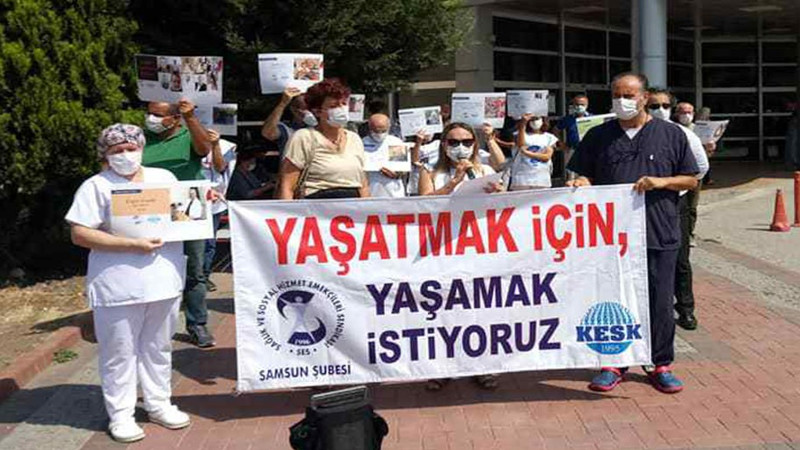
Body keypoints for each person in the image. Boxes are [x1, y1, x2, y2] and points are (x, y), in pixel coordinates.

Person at [567, 73, 699, 394]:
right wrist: (581, 182)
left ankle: (660, 363)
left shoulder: (671, 134)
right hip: (611, 236)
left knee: (659, 302)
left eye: (628, 95)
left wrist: (662, 182)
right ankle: (614, 363)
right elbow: (583, 174)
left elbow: (691, 179)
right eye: (616, 95)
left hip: (658, 231)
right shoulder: (599, 135)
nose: (621, 101)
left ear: (644, 98)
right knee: (613, 298)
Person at [66, 124, 191, 443]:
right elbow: (79, 233)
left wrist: (206, 202)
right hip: (117, 283)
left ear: (141, 148)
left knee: (158, 347)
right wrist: (130, 244)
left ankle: (159, 403)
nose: (125, 155)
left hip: (163, 278)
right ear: (105, 155)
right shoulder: (96, 186)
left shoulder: (164, 178)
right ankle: (121, 415)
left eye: (130, 148)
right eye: (116, 151)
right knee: (119, 352)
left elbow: (184, 215)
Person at [419, 122, 502, 390]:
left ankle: (482, 366)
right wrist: (454, 182)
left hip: (478, 247)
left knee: (479, 309)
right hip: (442, 248)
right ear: (443, 144)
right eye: (453, 142)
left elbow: (504, 208)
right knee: (445, 310)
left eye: (466, 142)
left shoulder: (485, 171)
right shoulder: (430, 171)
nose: (460, 147)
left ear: (475, 145)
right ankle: (444, 368)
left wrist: (498, 195)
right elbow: (423, 202)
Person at [142, 98, 215, 348]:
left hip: (186, 207)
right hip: (150, 208)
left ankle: (197, 323)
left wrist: (191, 117)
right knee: (149, 265)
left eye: (158, 115)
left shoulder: (188, 134)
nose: (151, 119)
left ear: (175, 119)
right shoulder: (142, 139)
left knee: (194, 269)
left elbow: (204, 150)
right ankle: (151, 323)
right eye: (149, 113)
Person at [647, 92, 709, 331]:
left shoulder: (682, 134)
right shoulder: (635, 133)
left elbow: (701, 167)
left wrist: (677, 185)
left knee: (680, 259)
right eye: (654, 105)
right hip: (639, 206)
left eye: (665, 105)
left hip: (673, 203)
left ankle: (685, 309)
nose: (660, 110)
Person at [277, 78, 369, 200]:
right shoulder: (304, 137)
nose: (341, 109)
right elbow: (287, 186)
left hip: (352, 205)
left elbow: (362, 184)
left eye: (343, 104)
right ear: (317, 111)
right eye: (334, 106)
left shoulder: (354, 138)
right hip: (317, 205)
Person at [201, 129, 236, 292]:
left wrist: (215, 145)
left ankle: (204, 276)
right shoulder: (186, 141)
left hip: (214, 203)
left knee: (209, 243)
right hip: (190, 199)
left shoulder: (226, 146)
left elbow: (220, 167)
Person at [675, 101, 713, 246]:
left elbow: (706, 155)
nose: (686, 115)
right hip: (677, 172)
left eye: (689, 112)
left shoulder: (699, 130)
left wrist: (710, 148)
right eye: (683, 112)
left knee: (691, 206)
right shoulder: (672, 128)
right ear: (677, 113)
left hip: (695, 173)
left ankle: (689, 234)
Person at [507, 114, 559, 190]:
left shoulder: (549, 137)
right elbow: (521, 145)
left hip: (542, 178)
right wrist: (522, 125)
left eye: (537, 118)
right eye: (532, 119)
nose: (535, 121)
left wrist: (527, 153)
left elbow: (547, 157)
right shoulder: (519, 134)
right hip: (522, 178)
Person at [362, 113, 407, 198]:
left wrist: (396, 174)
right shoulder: (362, 143)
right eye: (376, 131)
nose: (380, 134)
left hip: (393, 192)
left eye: (383, 131)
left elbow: (403, 168)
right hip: (370, 190)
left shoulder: (396, 142)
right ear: (370, 128)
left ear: (388, 127)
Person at [261, 87, 316, 154]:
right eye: (302, 108)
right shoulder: (285, 128)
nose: (306, 112)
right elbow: (268, 133)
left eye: (309, 108)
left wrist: (314, 124)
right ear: (293, 109)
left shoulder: (321, 127)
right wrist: (283, 103)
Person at [553, 94, 591, 176]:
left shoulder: (592, 118)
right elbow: (556, 129)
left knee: (587, 175)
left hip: (588, 150)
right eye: (577, 104)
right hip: (572, 150)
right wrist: (560, 142)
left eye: (582, 104)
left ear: (587, 105)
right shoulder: (568, 119)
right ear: (573, 105)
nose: (579, 106)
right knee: (571, 175)